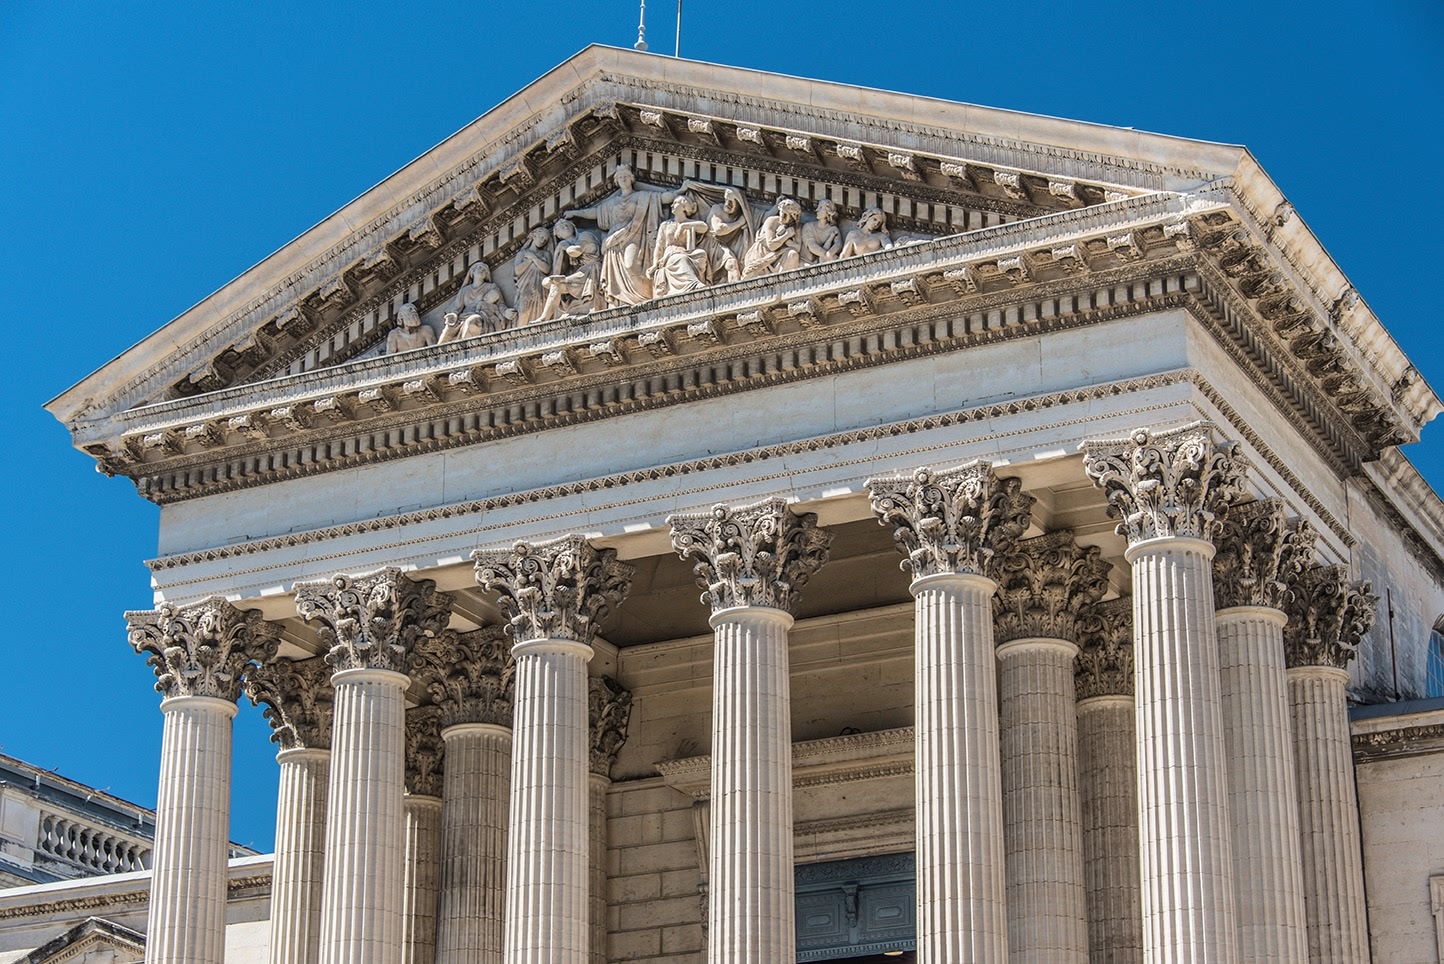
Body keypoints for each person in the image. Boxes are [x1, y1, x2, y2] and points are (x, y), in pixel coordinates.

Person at [562, 164, 697, 307]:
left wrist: (680, 191)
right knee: (617, 272)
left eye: (626, 176)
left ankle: (640, 300)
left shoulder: (642, 197)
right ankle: (619, 302)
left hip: (635, 236)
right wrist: (574, 213)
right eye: (620, 177)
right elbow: (595, 213)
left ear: (631, 178)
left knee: (631, 264)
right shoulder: (612, 203)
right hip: (614, 240)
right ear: (616, 180)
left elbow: (662, 198)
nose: (623, 179)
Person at [537, 219, 603, 321]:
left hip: (592, 271)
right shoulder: (563, 245)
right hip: (582, 274)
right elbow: (558, 269)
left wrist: (564, 246)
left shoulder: (584, 236)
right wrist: (553, 279)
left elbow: (575, 251)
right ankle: (544, 318)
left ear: (573, 226)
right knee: (556, 286)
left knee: (557, 284)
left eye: (567, 225)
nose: (565, 227)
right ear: (558, 235)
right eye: (561, 228)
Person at [650, 195, 712, 297]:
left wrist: (684, 226)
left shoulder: (690, 223)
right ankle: (693, 284)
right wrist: (654, 264)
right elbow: (659, 246)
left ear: (684, 206)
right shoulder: (665, 225)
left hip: (686, 252)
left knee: (702, 254)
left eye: (676, 203)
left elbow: (704, 227)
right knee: (681, 258)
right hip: (671, 254)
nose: (672, 205)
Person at [438, 262, 514, 343]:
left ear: (487, 274)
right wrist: (453, 315)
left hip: (482, 317)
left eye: (485, 270)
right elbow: (457, 308)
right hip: (463, 317)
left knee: (472, 321)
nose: (482, 270)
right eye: (479, 268)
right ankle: (438, 353)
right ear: (472, 272)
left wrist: (506, 312)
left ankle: (464, 350)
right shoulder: (464, 290)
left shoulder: (491, 287)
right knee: (448, 329)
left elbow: (500, 304)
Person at [701, 187, 754, 282]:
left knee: (732, 264)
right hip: (708, 245)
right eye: (726, 200)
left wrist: (776, 208)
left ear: (739, 205)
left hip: (719, 246)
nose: (727, 204)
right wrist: (739, 223)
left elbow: (763, 217)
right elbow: (719, 229)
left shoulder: (740, 215)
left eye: (732, 202)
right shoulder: (717, 209)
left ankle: (737, 293)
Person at [742, 197, 803, 278]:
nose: (782, 216)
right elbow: (771, 245)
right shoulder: (772, 221)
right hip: (761, 256)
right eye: (781, 212)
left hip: (779, 256)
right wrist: (786, 235)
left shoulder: (796, 227)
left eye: (786, 214)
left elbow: (798, 248)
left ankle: (784, 281)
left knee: (793, 254)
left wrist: (784, 240)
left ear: (793, 217)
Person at [511, 226, 552, 325]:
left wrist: (533, 258)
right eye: (541, 237)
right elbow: (517, 271)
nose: (543, 241)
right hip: (526, 287)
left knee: (540, 309)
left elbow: (546, 269)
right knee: (524, 310)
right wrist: (530, 261)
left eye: (545, 240)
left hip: (541, 287)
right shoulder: (522, 253)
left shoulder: (546, 254)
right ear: (534, 235)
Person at [800, 197, 843, 264]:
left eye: (820, 208)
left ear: (828, 212)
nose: (817, 210)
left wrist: (830, 253)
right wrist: (826, 255)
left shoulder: (833, 229)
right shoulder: (808, 226)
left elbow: (838, 244)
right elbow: (811, 245)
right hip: (806, 262)